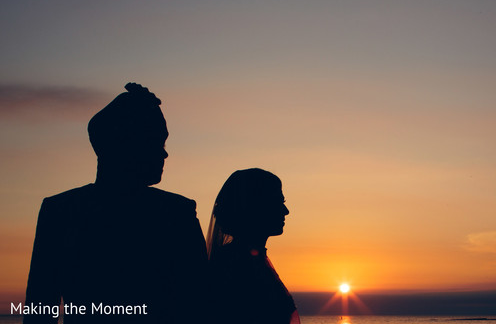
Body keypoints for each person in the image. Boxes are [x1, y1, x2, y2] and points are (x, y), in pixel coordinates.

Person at [24, 83, 208, 323]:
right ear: (126, 144)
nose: (164, 154)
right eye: (156, 143)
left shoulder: (61, 210)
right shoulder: (176, 213)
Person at [206, 168, 301, 324]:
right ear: (256, 206)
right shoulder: (237, 265)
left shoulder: (250, 260)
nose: (286, 211)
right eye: (278, 202)